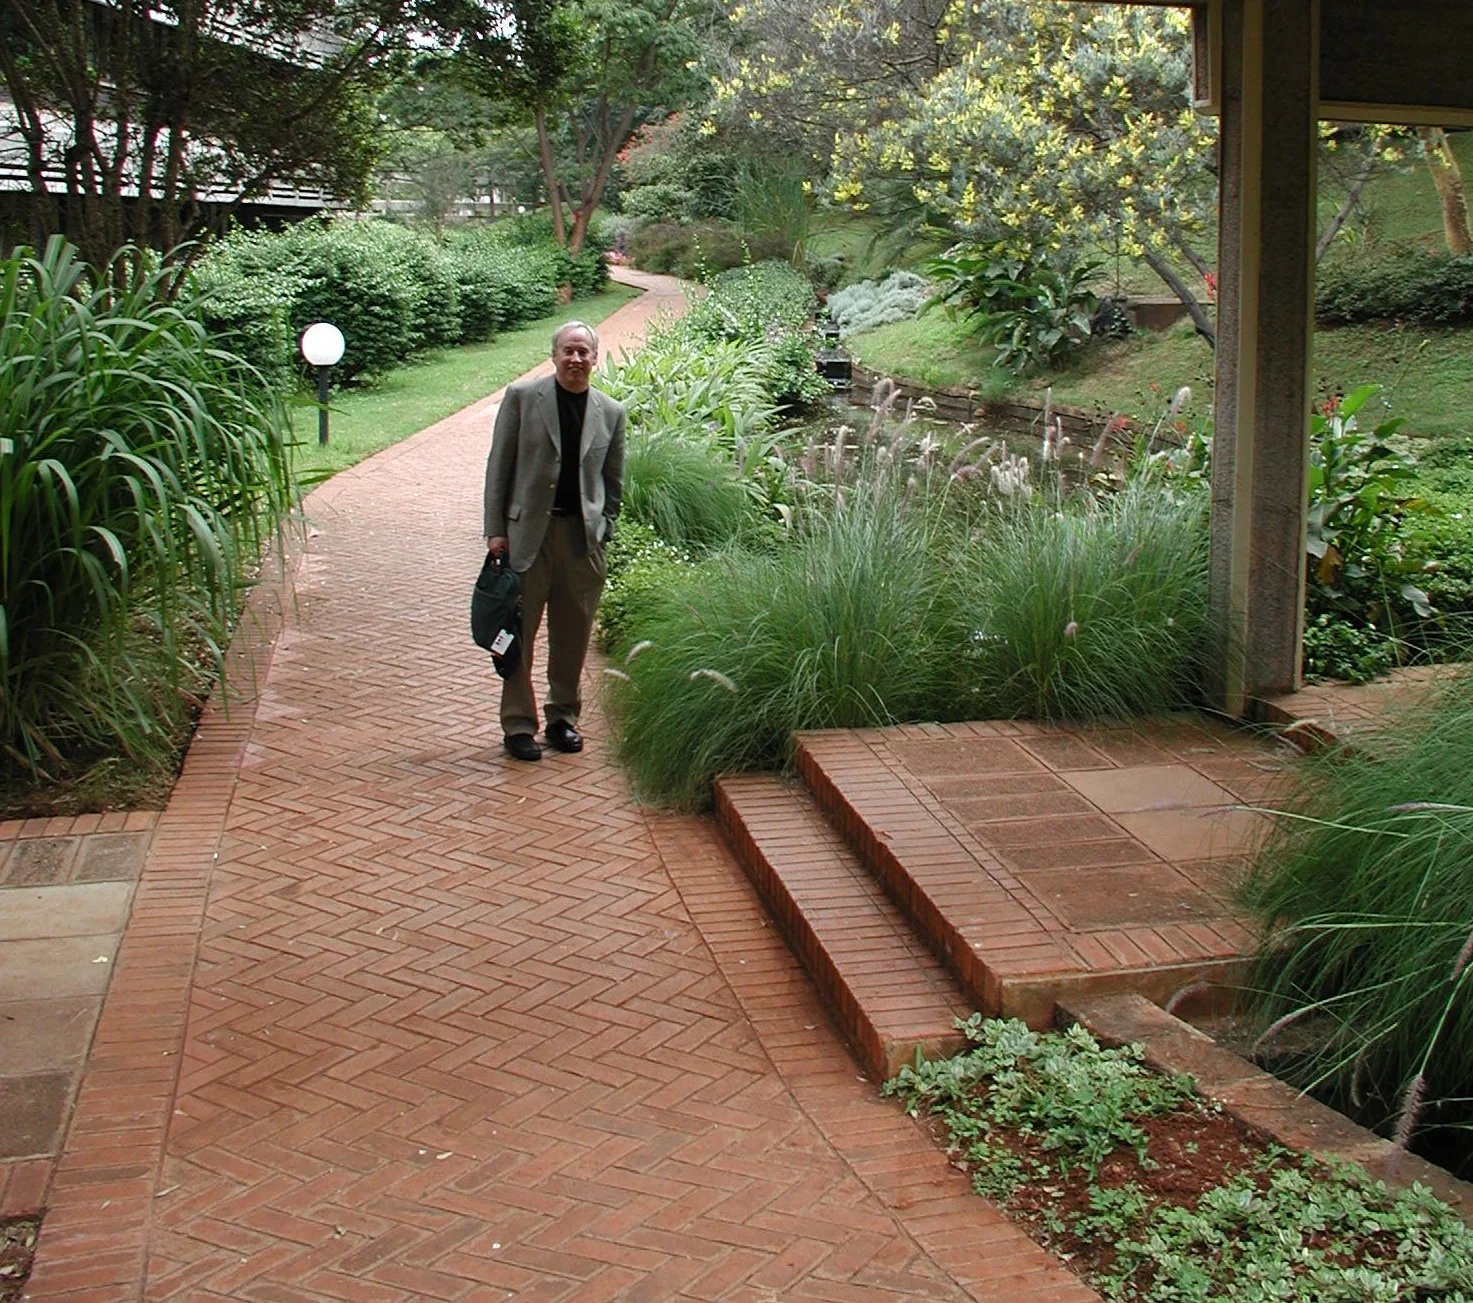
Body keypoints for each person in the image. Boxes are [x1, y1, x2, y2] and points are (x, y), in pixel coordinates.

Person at [483, 321, 625, 761]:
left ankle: (563, 718)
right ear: (555, 355)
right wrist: (495, 530)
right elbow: (499, 467)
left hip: (581, 541)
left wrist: (605, 527)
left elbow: (613, 481)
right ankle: (519, 724)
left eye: (584, 351)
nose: (576, 358)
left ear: (594, 358)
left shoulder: (611, 412)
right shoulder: (523, 398)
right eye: (568, 350)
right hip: (527, 536)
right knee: (518, 634)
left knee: (572, 636)